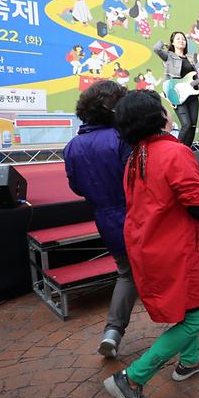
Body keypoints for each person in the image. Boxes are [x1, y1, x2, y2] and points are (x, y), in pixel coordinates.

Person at [104, 90, 199, 398]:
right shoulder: (174, 153)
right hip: (176, 248)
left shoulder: (137, 154)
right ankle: (132, 378)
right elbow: (198, 207)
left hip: (149, 245)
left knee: (187, 310)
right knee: (197, 316)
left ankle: (188, 362)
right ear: (158, 117)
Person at [63, 81, 136, 357]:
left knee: (126, 274)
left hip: (105, 219)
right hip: (136, 216)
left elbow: (77, 187)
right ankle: (179, 333)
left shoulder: (72, 146)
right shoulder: (121, 139)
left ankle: (113, 332)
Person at [154, 31, 199, 147]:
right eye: (178, 39)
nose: (182, 41)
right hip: (177, 94)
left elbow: (192, 77)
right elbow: (156, 49)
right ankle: (176, 150)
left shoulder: (191, 58)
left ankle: (187, 150)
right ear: (173, 42)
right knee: (186, 124)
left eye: (183, 39)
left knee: (193, 126)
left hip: (192, 94)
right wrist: (166, 44)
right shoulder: (169, 56)